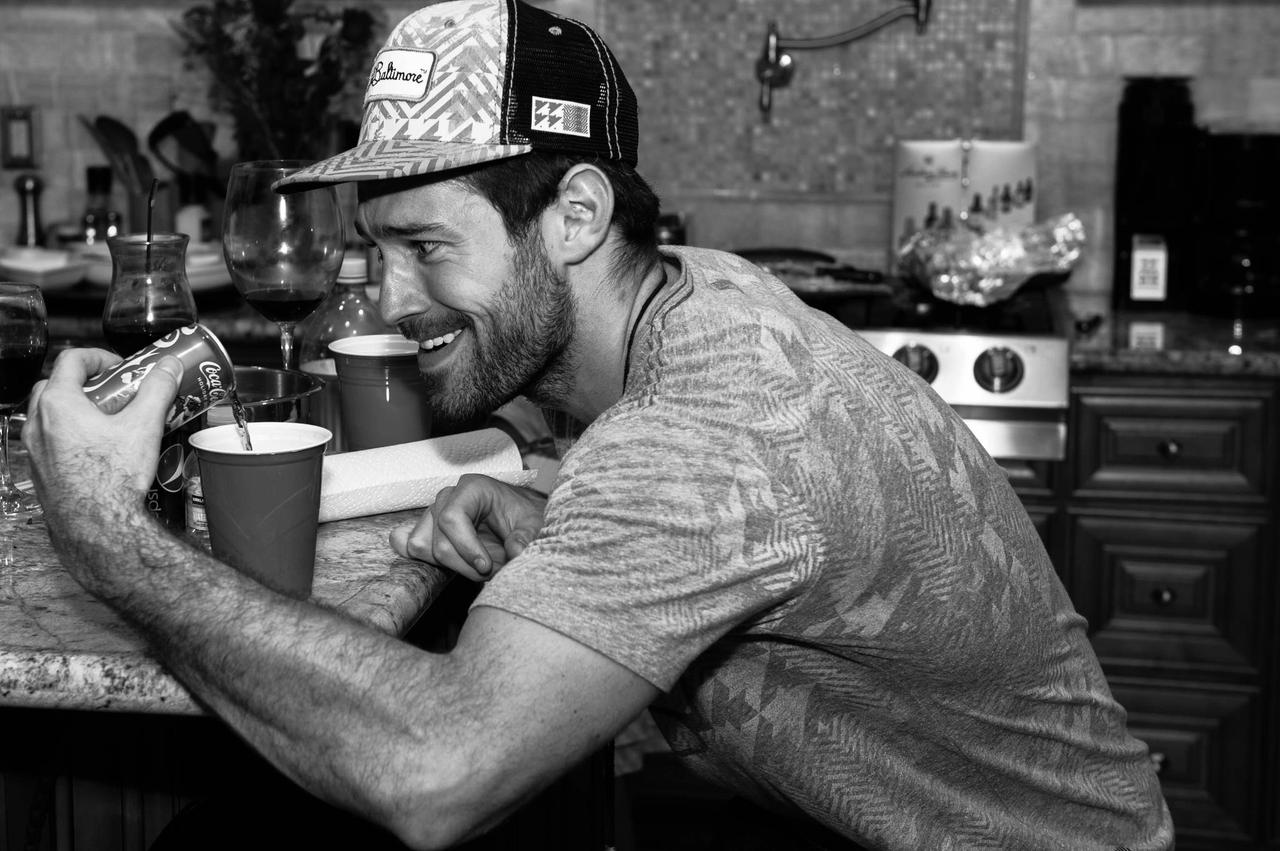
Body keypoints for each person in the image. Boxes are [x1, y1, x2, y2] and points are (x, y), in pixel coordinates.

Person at [25, 1, 1174, 849]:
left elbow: (436, 774)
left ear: (574, 214)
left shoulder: (699, 436)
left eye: (426, 246)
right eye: (378, 248)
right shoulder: (693, 292)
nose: (388, 299)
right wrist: (561, 500)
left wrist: (107, 533)